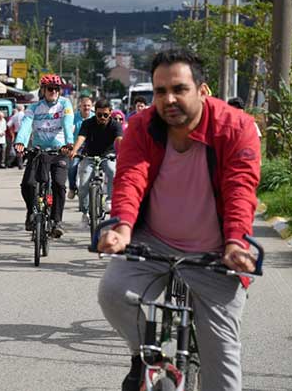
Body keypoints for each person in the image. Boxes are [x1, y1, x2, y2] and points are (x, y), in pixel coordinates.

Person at [96, 49, 260, 391]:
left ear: (202, 91)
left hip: (216, 251)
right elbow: (130, 178)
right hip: (153, 239)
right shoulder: (142, 126)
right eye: (160, 91)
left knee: (223, 365)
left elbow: (240, 189)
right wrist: (122, 227)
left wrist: (235, 242)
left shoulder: (236, 127)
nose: (168, 99)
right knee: (112, 293)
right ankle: (150, 357)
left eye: (179, 89)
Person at [14, 74, 75, 236]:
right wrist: (20, 141)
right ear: (43, 90)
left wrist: (69, 143)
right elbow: (26, 125)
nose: (53, 92)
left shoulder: (65, 104)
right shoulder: (34, 107)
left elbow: (68, 124)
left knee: (59, 184)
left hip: (59, 151)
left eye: (56, 89)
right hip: (38, 151)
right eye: (50, 89)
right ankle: (32, 211)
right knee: (28, 184)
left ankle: (56, 221)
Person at [69, 99, 123, 226]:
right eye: (99, 115)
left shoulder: (115, 125)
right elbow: (81, 137)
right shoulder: (88, 123)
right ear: (95, 113)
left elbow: (120, 139)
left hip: (108, 156)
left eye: (105, 115)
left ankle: (109, 200)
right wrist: (74, 150)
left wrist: (123, 153)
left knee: (112, 171)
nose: (102, 118)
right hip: (89, 156)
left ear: (110, 113)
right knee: (83, 184)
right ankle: (85, 212)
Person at [68, 95, 94, 200]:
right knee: (72, 166)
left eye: (88, 106)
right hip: (77, 147)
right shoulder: (74, 117)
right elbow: (70, 130)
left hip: (91, 147)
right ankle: (72, 187)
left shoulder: (94, 117)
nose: (86, 108)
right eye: (84, 106)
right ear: (80, 106)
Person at [7, 104, 26, 169]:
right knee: (26, 148)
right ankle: (22, 163)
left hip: (17, 132)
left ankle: (20, 164)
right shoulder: (25, 115)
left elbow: (9, 125)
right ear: (23, 109)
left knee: (19, 149)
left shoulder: (14, 116)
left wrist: (11, 133)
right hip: (25, 132)